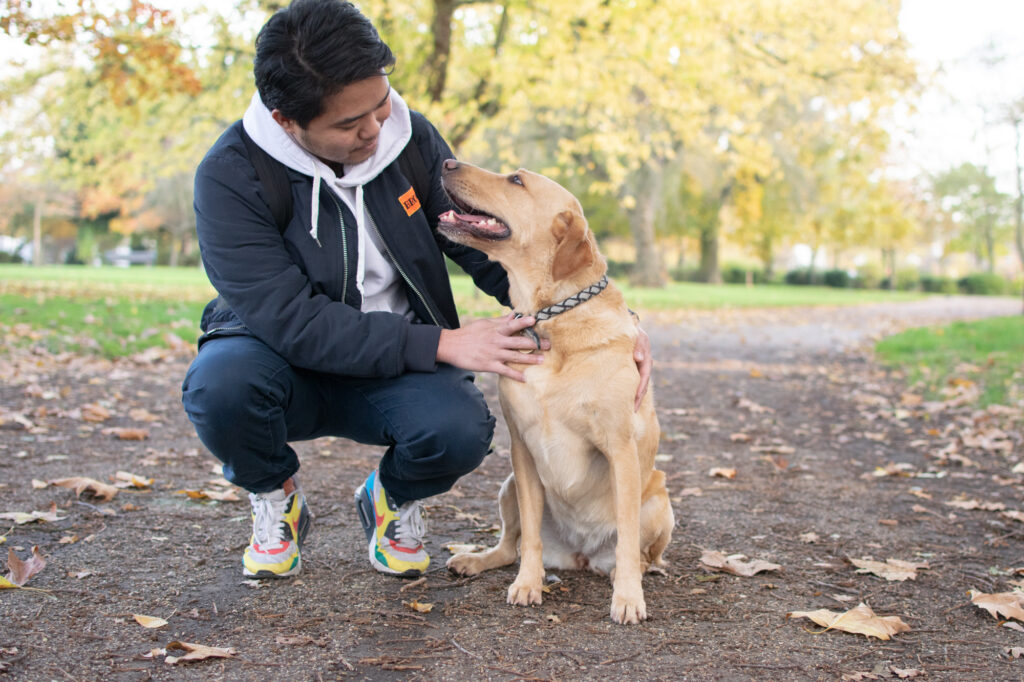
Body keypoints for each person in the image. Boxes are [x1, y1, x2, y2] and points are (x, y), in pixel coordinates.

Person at [181, 0, 652, 580]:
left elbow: (496, 242)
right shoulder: (231, 175)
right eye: (351, 124)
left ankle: (390, 497)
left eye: (380, 105)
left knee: (460, 428)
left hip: (394, 370)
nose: (375, 129)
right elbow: (291, 320)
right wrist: (441, 345)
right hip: (278, 363)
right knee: (219, 388)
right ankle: (273, 492)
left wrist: (612, 319)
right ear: (286, 120)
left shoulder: (409, 139)